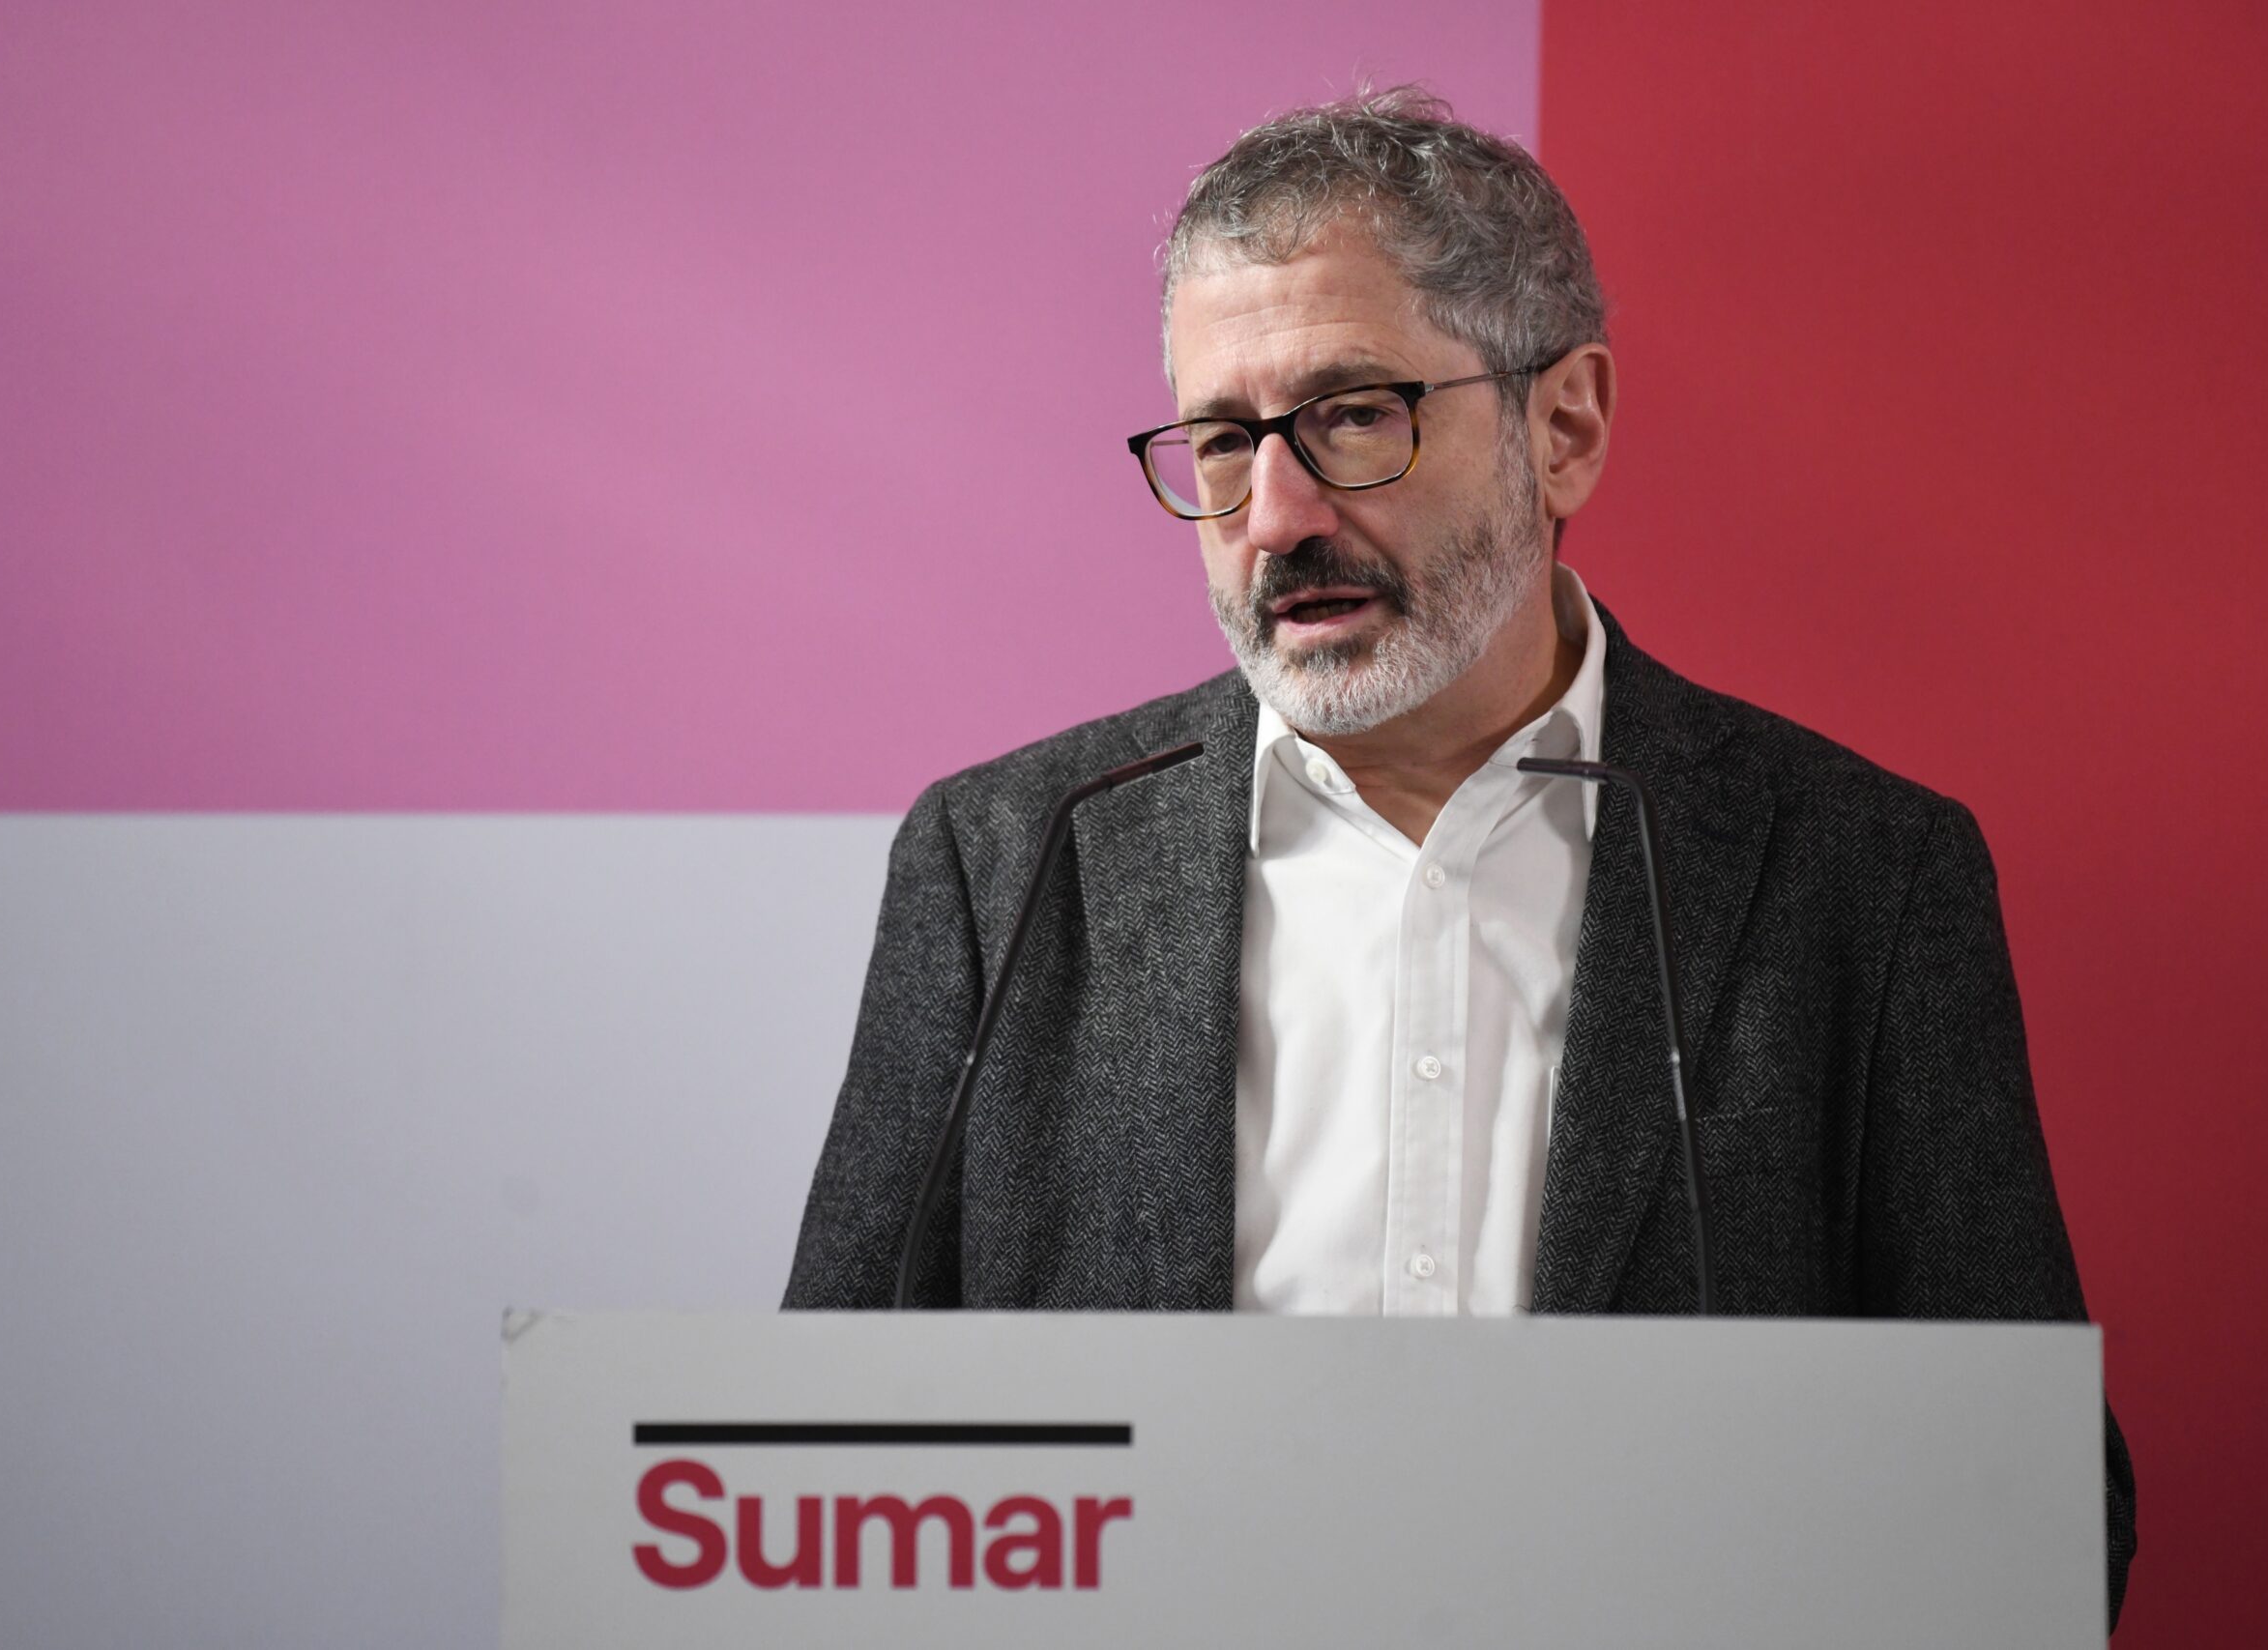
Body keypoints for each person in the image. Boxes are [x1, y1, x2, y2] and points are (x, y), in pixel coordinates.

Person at [780, 86, 2134, 1621]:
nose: (1274, 516)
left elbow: (2034, 1511)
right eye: (1220, 441)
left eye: (1353, 416)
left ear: (1565, 428)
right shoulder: (1010, 863)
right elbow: (818, 1463)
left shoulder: (1858, 874)